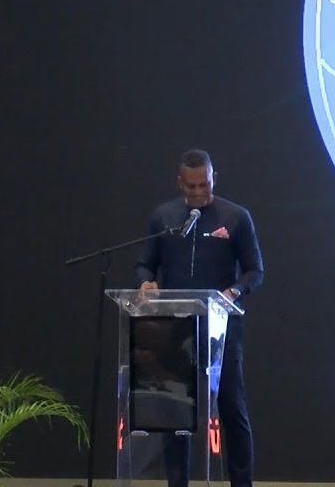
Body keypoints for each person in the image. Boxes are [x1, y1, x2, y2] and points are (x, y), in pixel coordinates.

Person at [137, 148, 263, 487]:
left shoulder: (236, 217)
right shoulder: (163, 217)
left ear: (214, 179)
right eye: (191, 186)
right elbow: (144, 264)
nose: (198, 192)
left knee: (233, 411)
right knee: (176, 413)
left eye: (204, 185)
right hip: (175, 328)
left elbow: (255, 271)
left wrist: (233, 292)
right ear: (180, 183)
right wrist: (145, 282)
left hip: (221, 329)